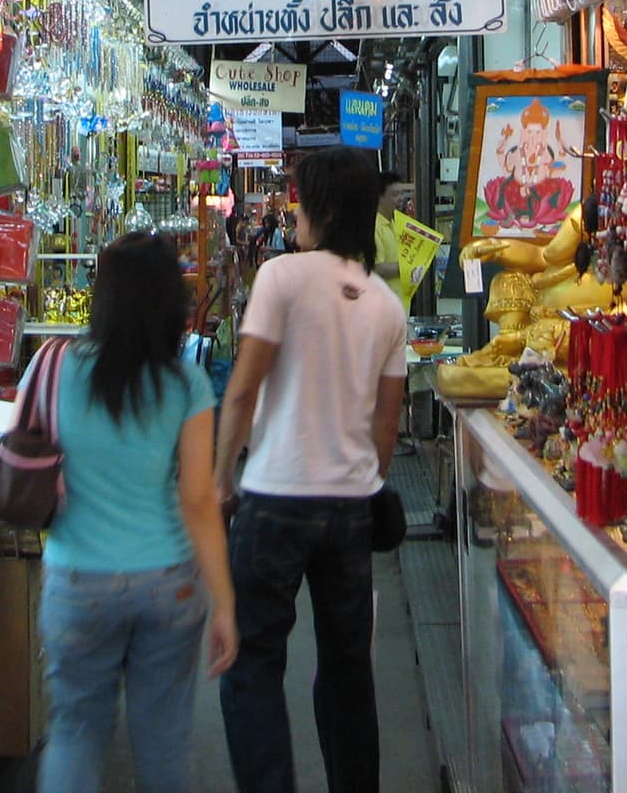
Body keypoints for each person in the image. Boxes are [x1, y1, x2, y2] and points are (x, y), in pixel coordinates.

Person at [214, 147, 408, 793]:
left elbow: (242, 391)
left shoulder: (282, 279)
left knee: (253, 664)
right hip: (350, 506)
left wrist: (220, 480)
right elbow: (388, 423)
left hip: (275, 497)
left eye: (299, 199)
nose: (292, 210)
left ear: (320, 207)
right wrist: (366, 480)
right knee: (349, 667)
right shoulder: (385, 305)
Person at [29, 232, 237, 793]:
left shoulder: (53, 366)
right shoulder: (185, 383)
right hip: (167, 583)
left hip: (76, 581)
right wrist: (224, 602)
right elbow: (197, 501)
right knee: (165, 745)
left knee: (74, 731)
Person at [372, 169, 411, 289]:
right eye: (395, 194)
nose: (400, 199)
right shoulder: (374, 227)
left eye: (401, 194)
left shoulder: (396, 223)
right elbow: (377, 268)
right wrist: (408, 267)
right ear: (380, 197)